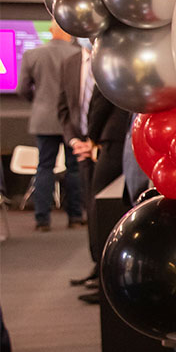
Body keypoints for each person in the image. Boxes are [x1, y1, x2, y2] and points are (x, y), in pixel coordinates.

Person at [58, 42, 129, 299]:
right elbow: (64, 107)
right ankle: (97, 267)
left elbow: (100, 104)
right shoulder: (69, 64)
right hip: (89, 145)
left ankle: (106, 277)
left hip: (107, 142)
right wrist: (79, 141)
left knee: (104, 208)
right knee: (92, 205)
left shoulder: (110, 59)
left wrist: (92, 140)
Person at [16, 24, 82, 231]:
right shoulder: (78, 55)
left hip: (43, 119)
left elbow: (22, 88)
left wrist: (39, 102)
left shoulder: (33, 54)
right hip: (73, 121)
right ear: (68, 32)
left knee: (44, 167)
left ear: (51, 31)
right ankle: (76, 217)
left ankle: (42, 220)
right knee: (74, 169)